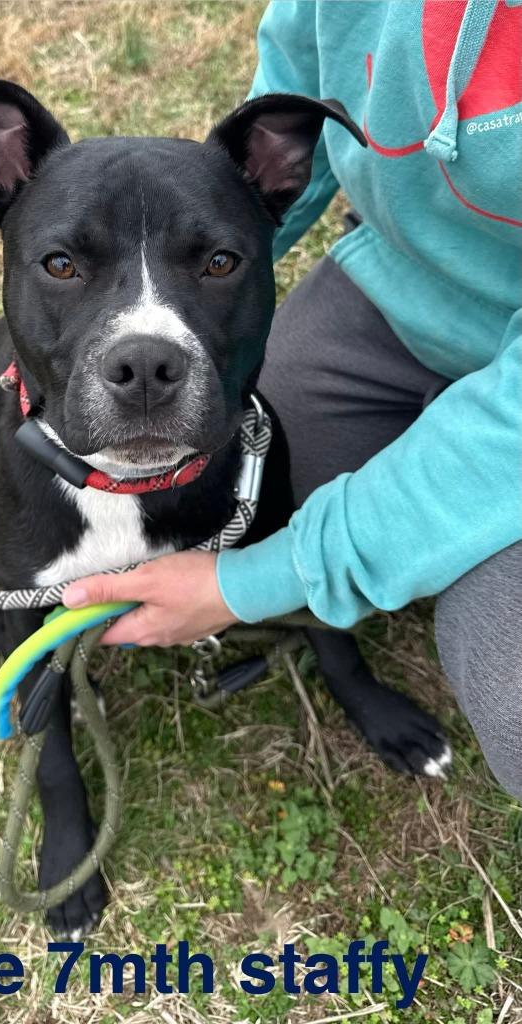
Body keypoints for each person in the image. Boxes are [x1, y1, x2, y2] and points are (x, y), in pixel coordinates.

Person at [63, 1, 522, 797]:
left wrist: (246, 585)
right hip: (402, 290)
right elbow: (291, 100)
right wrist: (199, 257)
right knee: (241, 468)